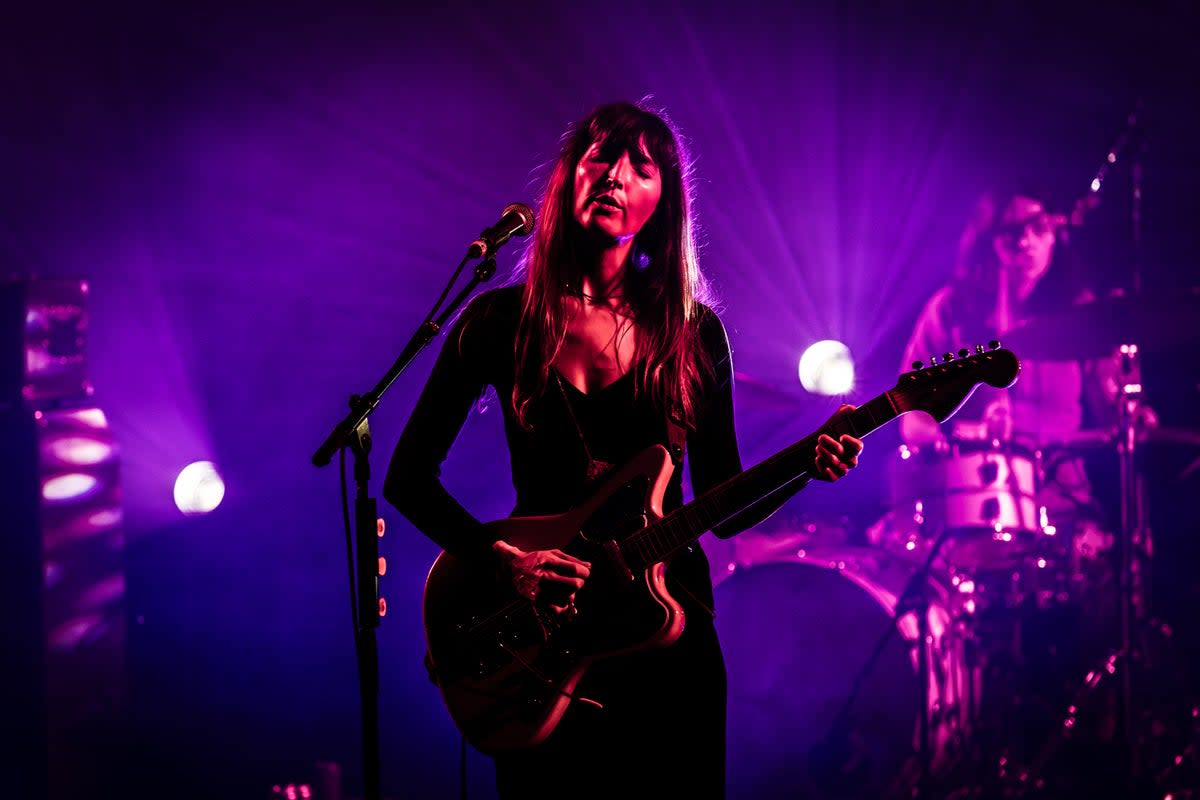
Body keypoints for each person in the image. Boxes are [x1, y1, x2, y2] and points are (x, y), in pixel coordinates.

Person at [383, 100, 864, 799]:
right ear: (570, 176)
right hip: (543, 643)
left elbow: (723, 506)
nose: (616, 174)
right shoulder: (496, 320)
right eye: (601, 155)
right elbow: (408, 475)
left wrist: (805, 468)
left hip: (665, 640)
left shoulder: (693, 335)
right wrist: (505, 562)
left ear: (660, 204)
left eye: (642, 166)